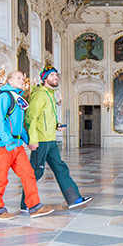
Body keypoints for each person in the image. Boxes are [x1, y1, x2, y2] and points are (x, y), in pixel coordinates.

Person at [21, 66, 92, 211]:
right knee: (36, 172)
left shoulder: (50, 94)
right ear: (44, 78)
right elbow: (31, 118)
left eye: (56, 75)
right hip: (40, 140)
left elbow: (45, 118)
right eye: (52, 75)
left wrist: (56, 125)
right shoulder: (39, 94)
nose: (56, 77)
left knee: (60, 168)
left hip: (50, 139)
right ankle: (26, 204)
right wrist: (32, 140)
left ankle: (73, 198)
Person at [0, 70, 54, 220]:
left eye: (23, 78)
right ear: (9, 81)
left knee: (28, 174)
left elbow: (20, 126)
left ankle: (34, 206)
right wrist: (7, 142)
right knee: (1, 178)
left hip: (17, 145)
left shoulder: (17, 98)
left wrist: (28, 141)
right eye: (18, 78)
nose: (22, 80)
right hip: (3, 145)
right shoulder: (3, 97)